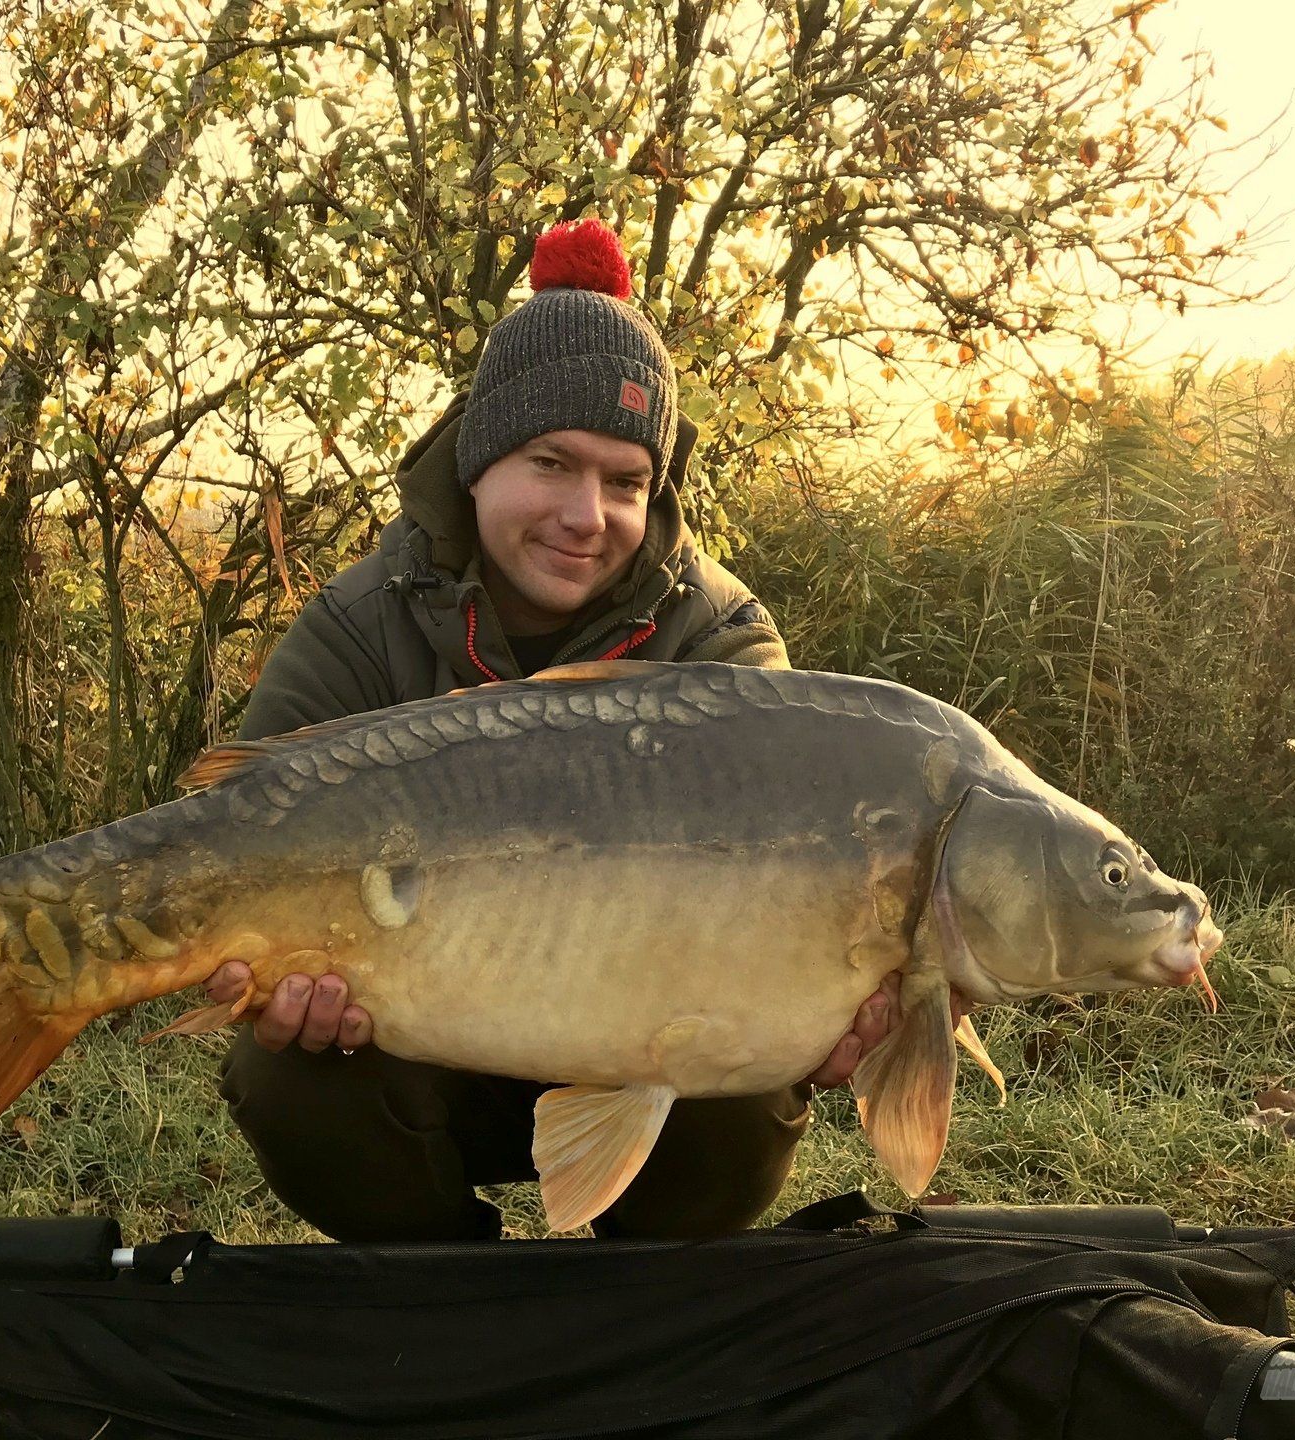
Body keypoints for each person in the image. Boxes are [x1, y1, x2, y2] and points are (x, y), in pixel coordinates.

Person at [202, 219, 904, 1242]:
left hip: (651, 1044)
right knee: (289, 1070)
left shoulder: (722, 642)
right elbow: (226, 843)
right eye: (552, 463)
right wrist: (259, 977)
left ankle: (634, 1309)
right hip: (417, 1043)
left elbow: (809, 883)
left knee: (747, 1083)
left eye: (625, 482)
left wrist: (847, 1001)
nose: (588, 514)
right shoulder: (363, 626)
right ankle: (441, 1297)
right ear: (481, 458)